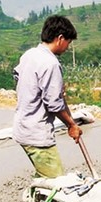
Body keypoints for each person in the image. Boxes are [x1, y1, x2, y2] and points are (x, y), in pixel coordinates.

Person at [12, 15, 82, 178]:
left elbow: (17, 76)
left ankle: (34, 199)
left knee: (43, 176)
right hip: (37, 133)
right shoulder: (50, 63)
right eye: (68, 42)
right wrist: (71, 125)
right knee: (55, 181)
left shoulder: (29, 54)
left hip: (22, 127)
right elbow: (54, 104)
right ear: (60, 38)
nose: (67, 47)